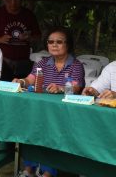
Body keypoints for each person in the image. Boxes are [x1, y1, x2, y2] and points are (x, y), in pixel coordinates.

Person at [13, 27, 85, 177]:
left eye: (59, 42)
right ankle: (28, 170)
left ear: (68, 45)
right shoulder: (42, 63)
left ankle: (47, 173)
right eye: (50, 42)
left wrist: (60, 88)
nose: (54, 45)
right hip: (41, 110)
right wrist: (20, 81)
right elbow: (30, 79)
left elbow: (76, 87)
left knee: (53, 132)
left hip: (64, 114)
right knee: (30, 127)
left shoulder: (76, 65)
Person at [0, 0, 41, 79]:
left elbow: (38, 37)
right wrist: (0, 39)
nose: (13, 3)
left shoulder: (28, 15)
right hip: (2, 62)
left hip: (23, 63)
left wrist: (29, 38)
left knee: (22, 86)